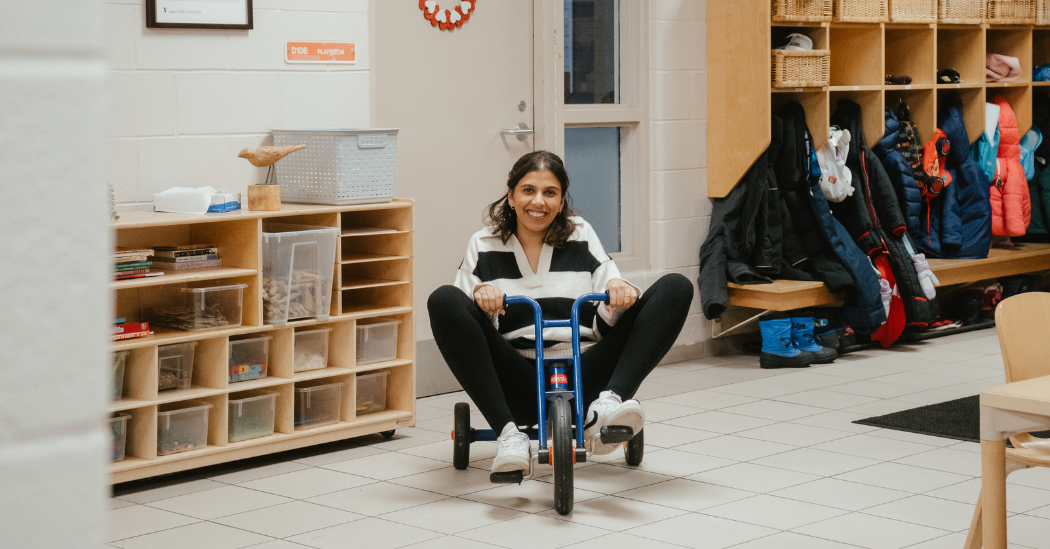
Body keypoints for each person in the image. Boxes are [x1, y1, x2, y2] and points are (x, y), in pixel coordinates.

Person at [428, 151, 693, 474]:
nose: (538, 202)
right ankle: (509, 435)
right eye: (528, 190)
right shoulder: (484, 243)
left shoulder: (581, 234)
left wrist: (618, 295)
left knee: (676, 287)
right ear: (511, 196)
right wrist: (483, 298)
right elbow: (466, 321)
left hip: (585, 373)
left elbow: (606, 318)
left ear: (562, 201)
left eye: (550, 192)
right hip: (519, 379)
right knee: (443, 299)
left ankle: (607, 404)